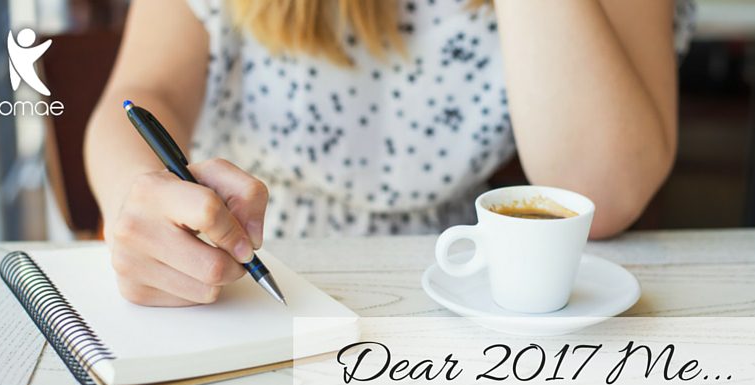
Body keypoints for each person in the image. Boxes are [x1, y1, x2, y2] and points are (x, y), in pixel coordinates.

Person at [85, 0, 695, 306]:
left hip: (462, 285)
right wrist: (135, 197)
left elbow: (601, 190)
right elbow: (143, 97)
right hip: (254, 270)